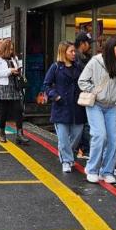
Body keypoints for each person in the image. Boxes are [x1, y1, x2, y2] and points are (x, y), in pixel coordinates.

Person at [78, 35, 116, 185]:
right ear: (112, 48)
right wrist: (95, 93)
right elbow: (82, 81)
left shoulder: (115, 63)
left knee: (112, 139)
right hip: (95, 105)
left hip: (111, 106)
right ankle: (92, 170)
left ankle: (107, 171)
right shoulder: (94, 62)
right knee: (100, 135)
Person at [42, 41, 86, 173]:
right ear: (63, 52)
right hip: (61, 107)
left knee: (76, 135)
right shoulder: (55, 67)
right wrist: (55, 96)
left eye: (74, 51)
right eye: (71, 51)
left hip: (77, 107)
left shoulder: (78, 67)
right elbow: (46, 85)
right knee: (63, 137)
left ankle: (67, 154)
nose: (74, 54)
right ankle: (66, 160)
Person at [0, 39, 29, 145]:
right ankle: (2, 133)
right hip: (3, 87)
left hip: (15, 86)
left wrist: (17, 71)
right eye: (10, 49)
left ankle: (19, 135)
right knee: (4, 111)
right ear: (5, 48)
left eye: (12, 49)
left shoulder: (14, 58)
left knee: (18, 110)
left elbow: (18, 69)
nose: (12, 51)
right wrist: (10, 71)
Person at [75, 31, 94, 157]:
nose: (90, 46)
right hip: (81, 96)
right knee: (84, 123)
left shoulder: (85, 58)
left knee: (84, 123)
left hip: (83, 95)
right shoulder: (78, 59)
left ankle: (82, 148)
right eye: (88, 43)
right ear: (82, 43)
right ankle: (84, 149)